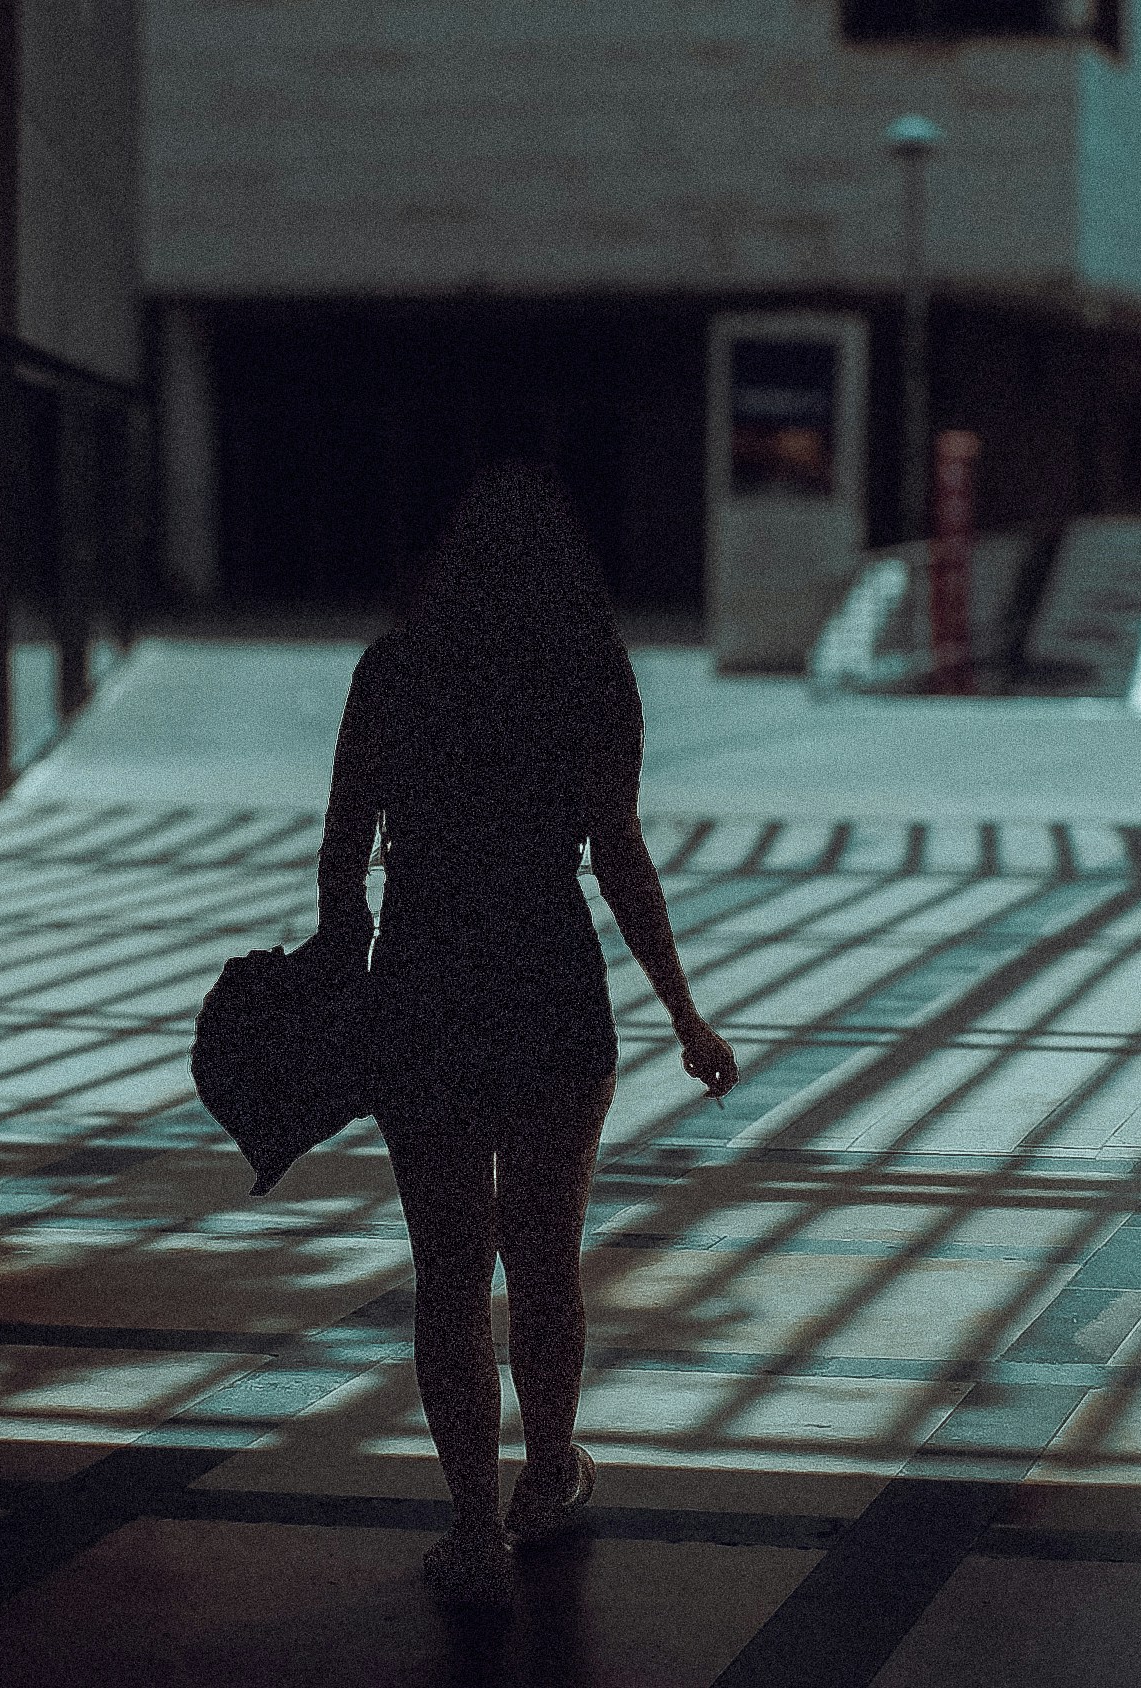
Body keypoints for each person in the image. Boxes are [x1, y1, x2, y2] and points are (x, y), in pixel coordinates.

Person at [300, 457, 738, 1606]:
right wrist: (683, 1013)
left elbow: (343, 852)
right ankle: (545, 1479)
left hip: (427, 981)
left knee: (447, 1272)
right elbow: (619, 853)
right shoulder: (589, 672)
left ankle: (470, 1531)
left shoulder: (394, 670)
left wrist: (339, 972)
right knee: (545, 1263)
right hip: (549, 979)